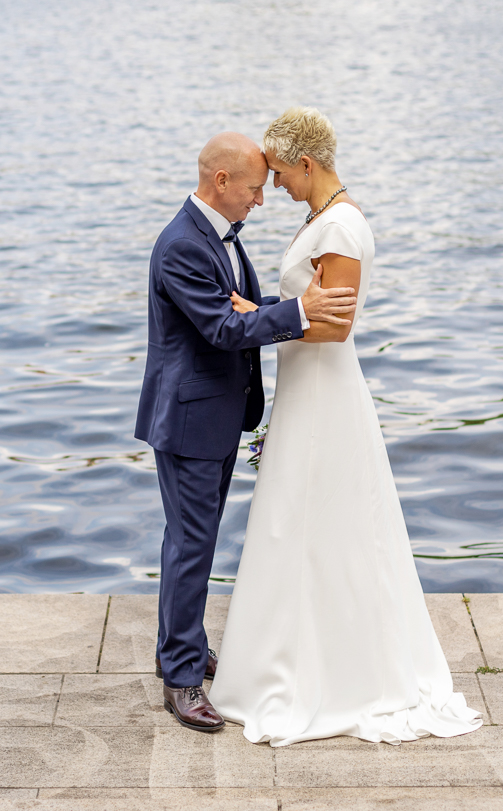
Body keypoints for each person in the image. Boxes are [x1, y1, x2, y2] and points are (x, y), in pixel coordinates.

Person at [208, 107, 483, 745]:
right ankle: (289, 656)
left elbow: (337, 324)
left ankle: (330, 673)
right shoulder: (321, 220)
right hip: (305, 386)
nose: (273, 185)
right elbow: (310, 309)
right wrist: (272, 309)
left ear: (307, 164)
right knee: (292, 523)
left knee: (320, 521)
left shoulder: (341, 227)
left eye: (279, 173)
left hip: (324, 389)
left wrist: (269, 312)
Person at [134, 131, 357, 732]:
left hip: (219, 413)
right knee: (191, 544)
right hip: (189, 420)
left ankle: (178, 649)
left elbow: (239, 312)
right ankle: (181, 678)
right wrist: (302, 312)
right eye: (256, 188)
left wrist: (256, 311)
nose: (262, 199)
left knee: (193, 540)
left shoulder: (219, 237)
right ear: (222, 181)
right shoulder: (182, 245)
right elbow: (221, 329)